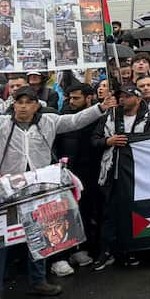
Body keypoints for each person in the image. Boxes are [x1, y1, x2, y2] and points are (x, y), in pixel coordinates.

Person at [0, 85, 113, 299]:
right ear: (13, 104)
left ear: (37, 105)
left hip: (39, 189)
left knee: (38, 237)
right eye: (19, 102)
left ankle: (38, 281)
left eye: (28, 102)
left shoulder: (49, 121)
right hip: (4, 193)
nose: (23, 106)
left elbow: (76, 120)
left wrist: (100, 107)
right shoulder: (0, 124)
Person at [93, 84, 150, 270]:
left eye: (127, 96)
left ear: (138, 99)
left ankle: (130, 251)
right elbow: (94, 139)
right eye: (120, 96)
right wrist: (108, 141)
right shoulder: (110, 116)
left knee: (133, 213)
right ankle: (105, 251)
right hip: (111, 173)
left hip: (136, 175)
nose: (122, 99)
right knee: (108, 214)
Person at [53, 82, 103, 275]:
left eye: (77, 98)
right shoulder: (62, 117)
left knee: (85, 211)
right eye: (70, 98)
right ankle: (62, 255)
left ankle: (81, 249)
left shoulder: (99, 117)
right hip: (67, 171)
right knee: (65, 214)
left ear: (89, 98)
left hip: (90, 171)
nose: (72, 102)